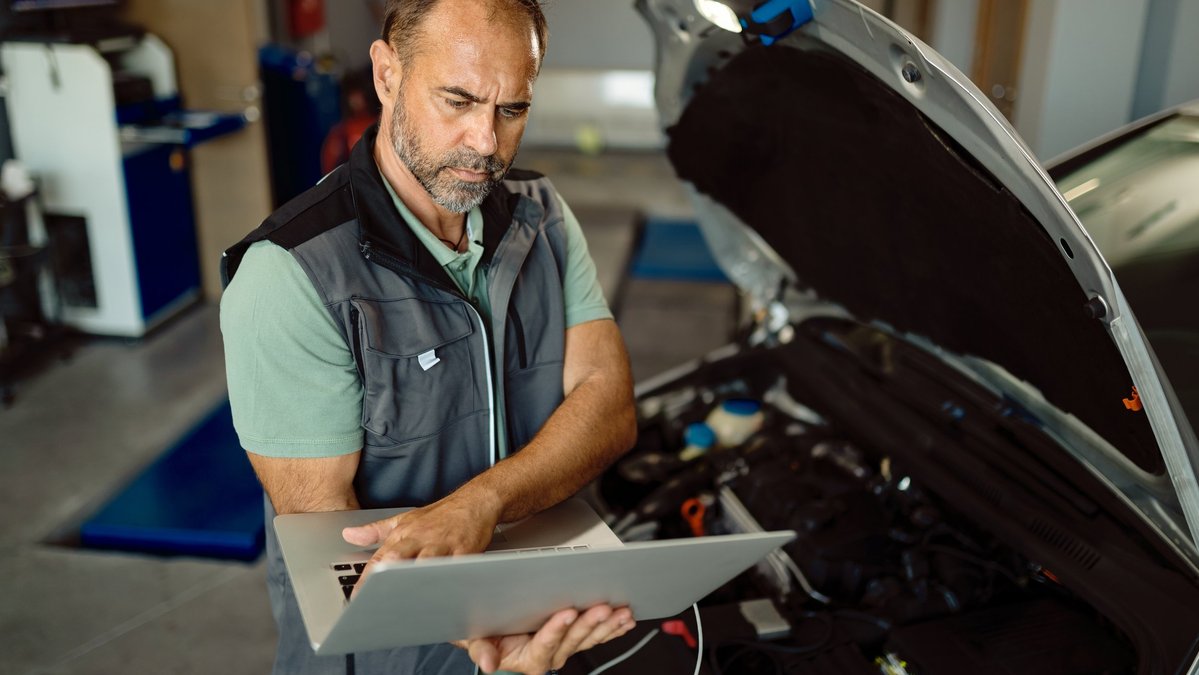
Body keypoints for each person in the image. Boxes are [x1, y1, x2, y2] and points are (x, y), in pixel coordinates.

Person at [218, 1, 639, 673]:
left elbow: (608, 405)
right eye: (458, 100)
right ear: (387, 75)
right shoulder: (290, 274)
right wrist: (485, 633)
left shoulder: (545, 219)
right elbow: (331, 540)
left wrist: (484, 502)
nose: (485, 142)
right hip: (390, 653)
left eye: (512, 110)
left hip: (540, 622)